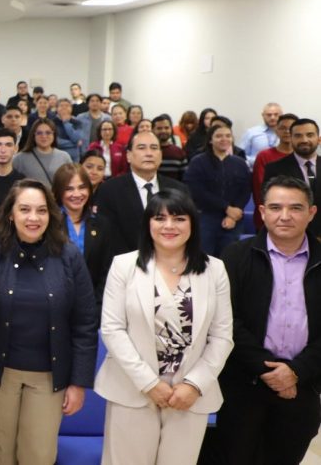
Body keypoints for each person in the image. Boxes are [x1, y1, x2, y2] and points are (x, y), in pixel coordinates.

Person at [95, 189, 233, 464]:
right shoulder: (124, 266)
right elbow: (112, 329)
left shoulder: (214, 269)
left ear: (192, 224)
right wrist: (149, 383)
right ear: (148, 224)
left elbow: (222, 336)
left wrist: (194, 385)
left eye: (179, 218)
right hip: (133, 389)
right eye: (160, 218)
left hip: (188, 395)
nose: (169, 226)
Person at [0, 180, 98, 465]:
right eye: (25, 209)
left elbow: (85, 323)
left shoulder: (69, 256)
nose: (33, 218)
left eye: (41, 211)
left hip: (49, 377)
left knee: (38, 456)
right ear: (10, 214)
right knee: (0, 455)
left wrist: (79, 382)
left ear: (50, 215)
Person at [217, 176, 321, 464]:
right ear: (262, 212)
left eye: (296, 208)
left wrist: (295, 371)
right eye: (275, 207)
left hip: (303, 386)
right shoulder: (236, 256)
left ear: (311, 213)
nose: (285, 216)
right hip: (243, 385)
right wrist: (268, 370)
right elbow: (225, 320)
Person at [93, 132, 189, 256]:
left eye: (154, 148)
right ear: (128, 155)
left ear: (160, 155)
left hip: (171, 261)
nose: (149, 153)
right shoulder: (109, 190)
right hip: (126, 264)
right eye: (141, 148)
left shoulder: (179, 189)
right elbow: (108, 236)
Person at [185, 124, 251, 256]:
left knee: (230, 258)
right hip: (206, 217)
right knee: (204, 258)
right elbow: (197, 191)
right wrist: (226, 208)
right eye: (219, 136)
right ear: (210, 140)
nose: (224, 139)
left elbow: (245, 189)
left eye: (228, 136)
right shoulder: (198, 162)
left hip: (234, 219)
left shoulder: (240, 163)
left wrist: (235, 212)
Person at [52, 163, 114, 301]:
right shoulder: (49, 224)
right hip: (55, 303)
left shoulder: (101, 224)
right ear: (58, 191)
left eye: (82, 187)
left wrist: (97, 304)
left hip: (93, 304)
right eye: (69, 189)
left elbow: (107, 270)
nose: (77, 194)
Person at [261, 117, 321, 236]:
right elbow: (270, 203)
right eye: (298, 136)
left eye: (310, 135)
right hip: (291, 234)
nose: (304, 140)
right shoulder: (275, 168)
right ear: (291, 138)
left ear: (318, 139)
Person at [251, 112, 296, 223]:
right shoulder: (264, 156)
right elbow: (259, 188)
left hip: (297, 214)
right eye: (283, 128)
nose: (287, 132)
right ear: (276, 131)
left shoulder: (303, 157)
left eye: (291, 128)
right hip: (270, 215)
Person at [12, 118, 73, 187]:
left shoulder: (64, 157)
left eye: (48, 133)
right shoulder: (20, 158)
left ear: (54, 134)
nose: (44, 136)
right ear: (33, 135)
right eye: (39, 133)